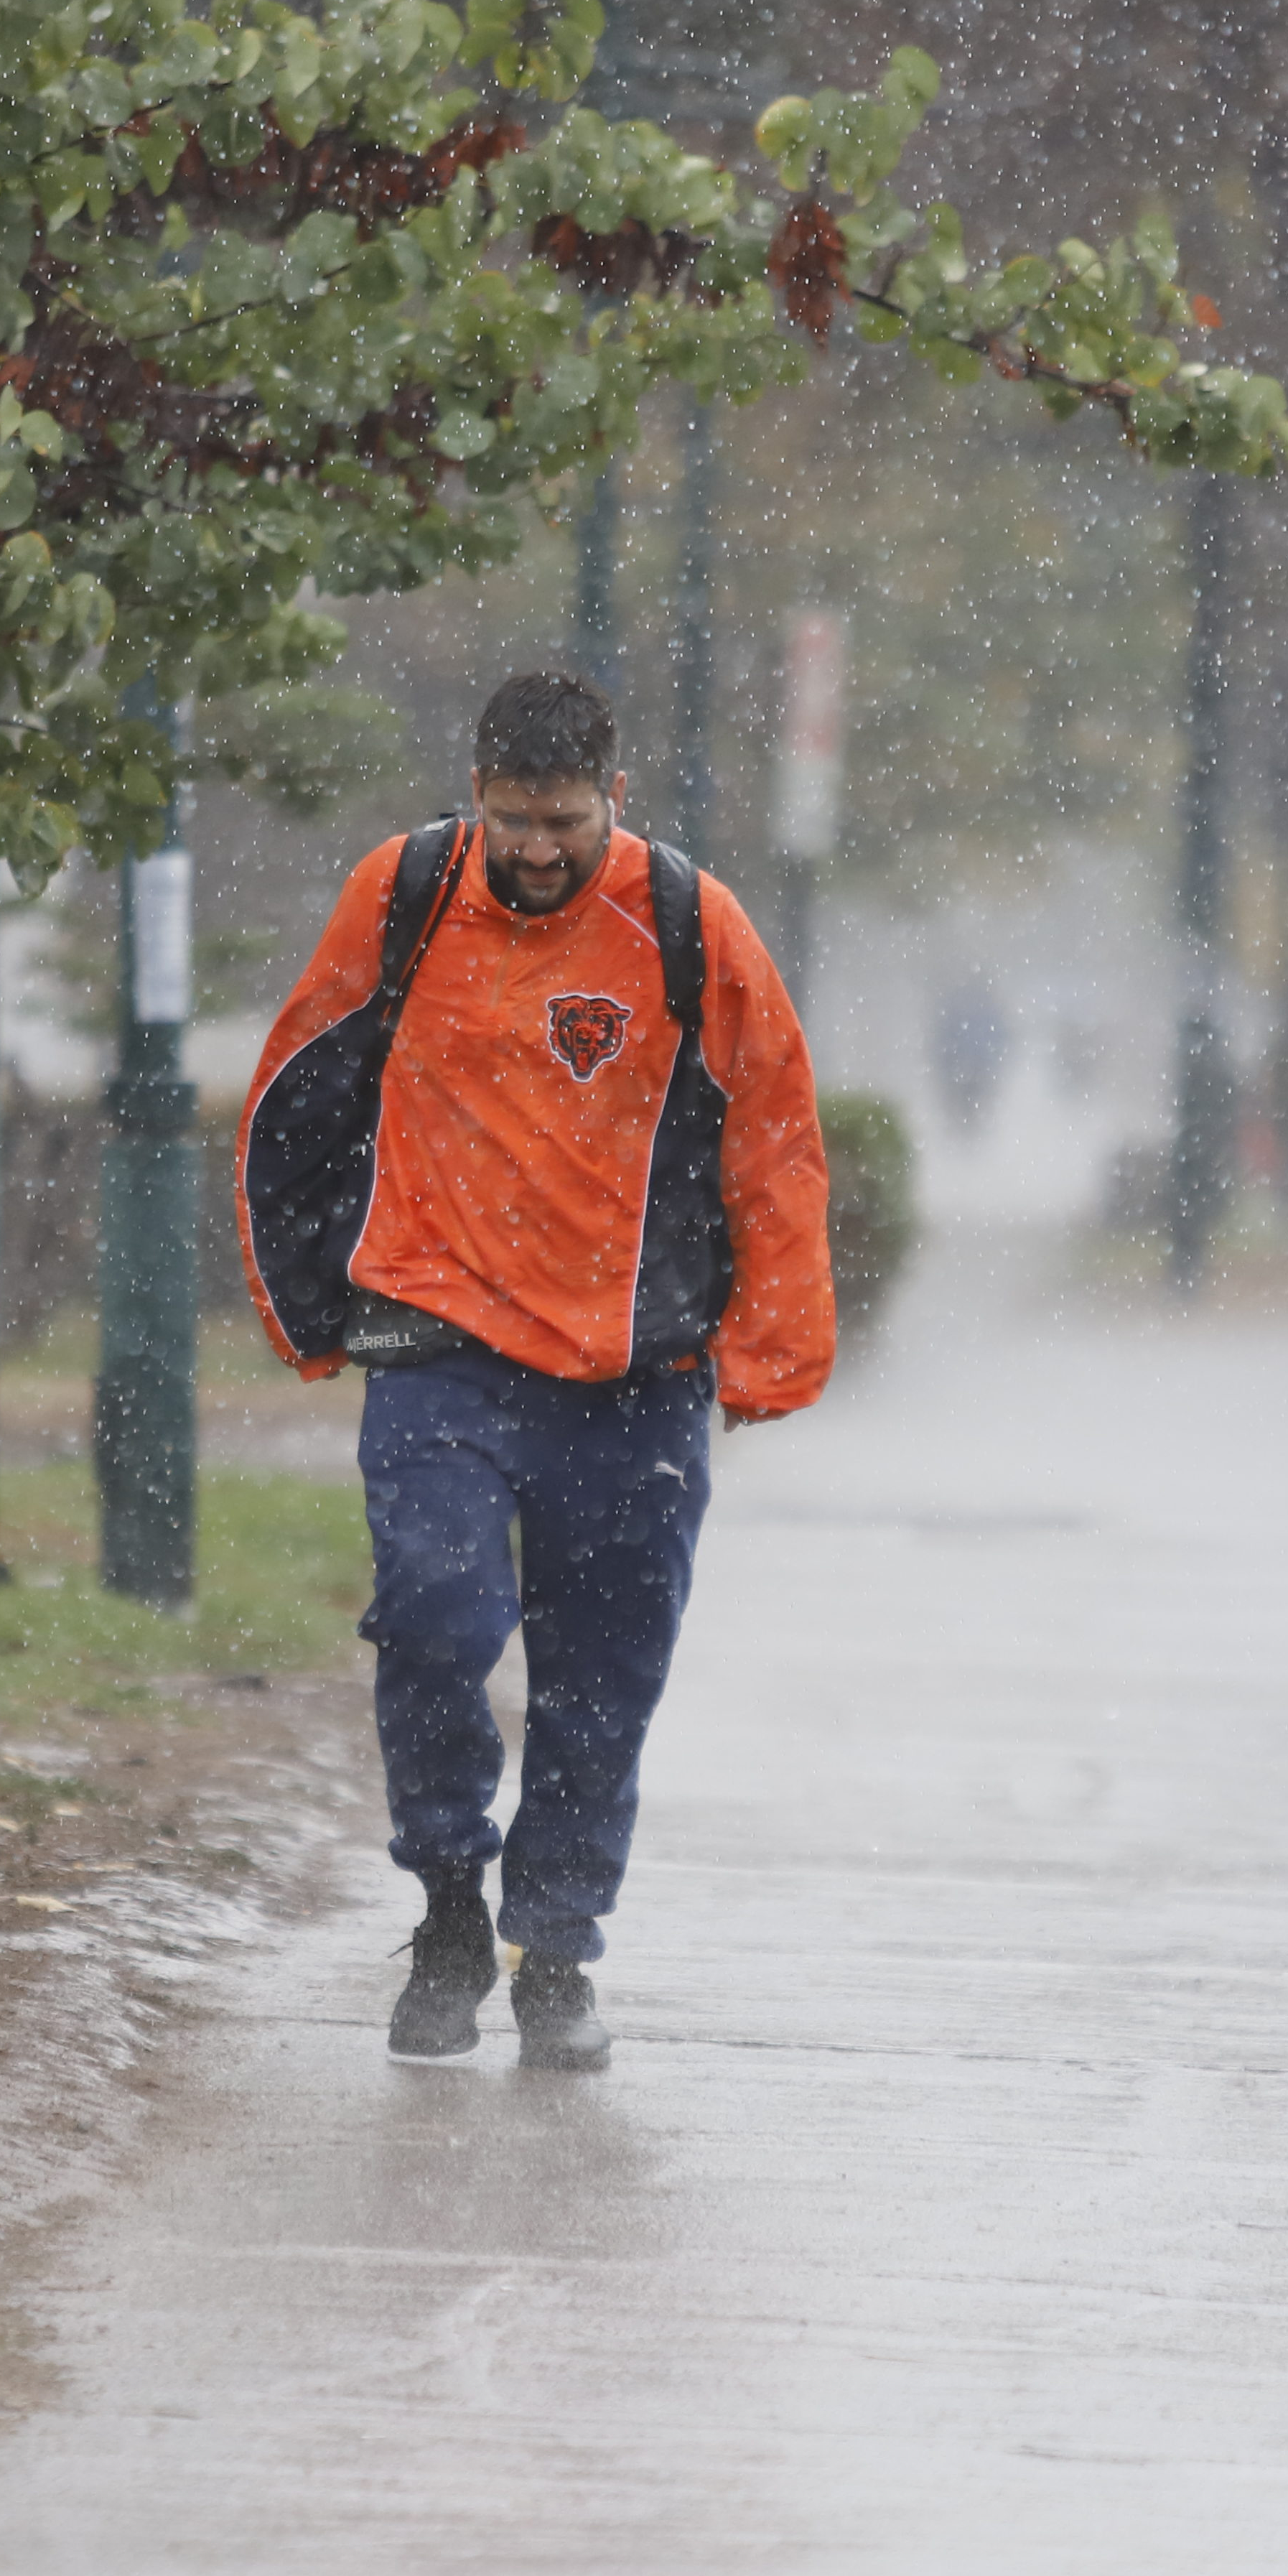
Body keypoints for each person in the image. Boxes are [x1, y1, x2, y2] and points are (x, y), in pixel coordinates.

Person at [234, 672, 834, 2068]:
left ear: (611, 800)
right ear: (476, 793)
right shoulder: (404, 894)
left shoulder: (692, 925)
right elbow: (295, 1089)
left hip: (640, 1379)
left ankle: (555, 1945)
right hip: (441, 1351)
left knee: (602, 1682)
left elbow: (776, 1141)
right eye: (513, 820)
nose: (538, 848)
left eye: (563, 820)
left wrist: (772, 1352)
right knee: (436, 1623)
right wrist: (309, 1307)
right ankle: (449, 1897)